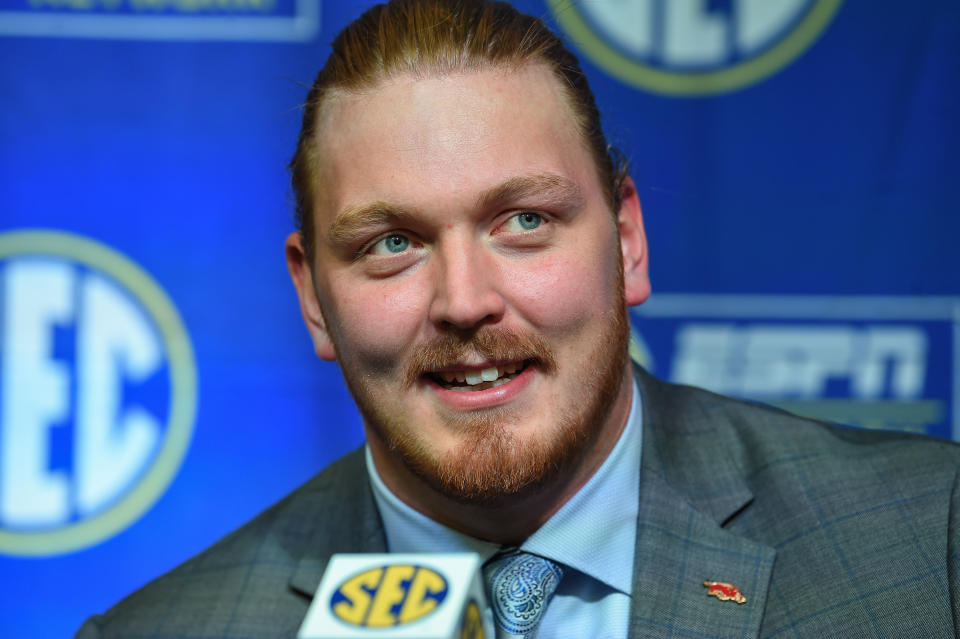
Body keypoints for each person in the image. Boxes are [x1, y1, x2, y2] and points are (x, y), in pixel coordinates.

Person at [77, 1, 960, 637]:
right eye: (392, 242)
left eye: (524, 222)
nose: (465, 301)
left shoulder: (929, 542)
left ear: (627, 240)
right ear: (313, 297)